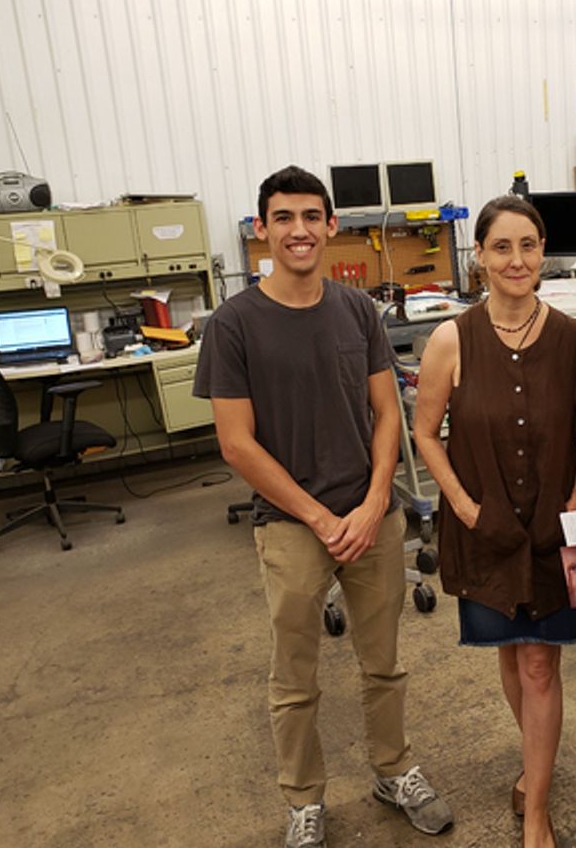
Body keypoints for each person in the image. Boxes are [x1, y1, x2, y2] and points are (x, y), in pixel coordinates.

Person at [193, 166, 453, 848]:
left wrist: (374, 503)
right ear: (262, 230)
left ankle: (392, 770)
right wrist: (319, 517)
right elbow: (236, 444)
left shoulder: (357, 309)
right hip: (291, 525)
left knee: (384, 662)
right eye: (284, 218)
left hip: (370, 518)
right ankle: (304, 800)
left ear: (332, 226)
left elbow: (385, 414)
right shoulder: (234, 325)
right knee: (294, 676)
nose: (299, 230)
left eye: (312, 216)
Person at [413, 195, 576, 848]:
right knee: (509, 652)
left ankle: (538, 808)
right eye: (502, 247)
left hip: (552, 531)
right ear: (481, 259)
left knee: (541, 667)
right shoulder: (449, 340)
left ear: (541, 252)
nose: (517, 259)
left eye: (528, 245)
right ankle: (534, 764)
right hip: (485, 530)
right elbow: (425, 432)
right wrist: (465, 508)